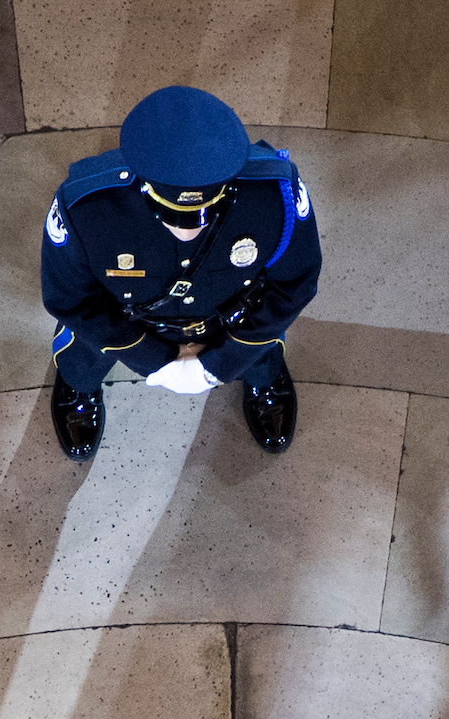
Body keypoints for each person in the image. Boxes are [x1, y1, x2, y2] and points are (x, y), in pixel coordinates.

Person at [39, 85, 323, 461]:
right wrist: (152, 359)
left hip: (229, 312)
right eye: (171, 216)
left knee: (261, 350)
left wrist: (223, 361)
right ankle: (80, 386)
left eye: (200, 216)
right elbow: (70, 297)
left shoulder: (278, 194)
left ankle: (262, 382)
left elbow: (294, 284)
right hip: (123, 317)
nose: (188, 231)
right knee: (84, 355)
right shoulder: (86, 205)